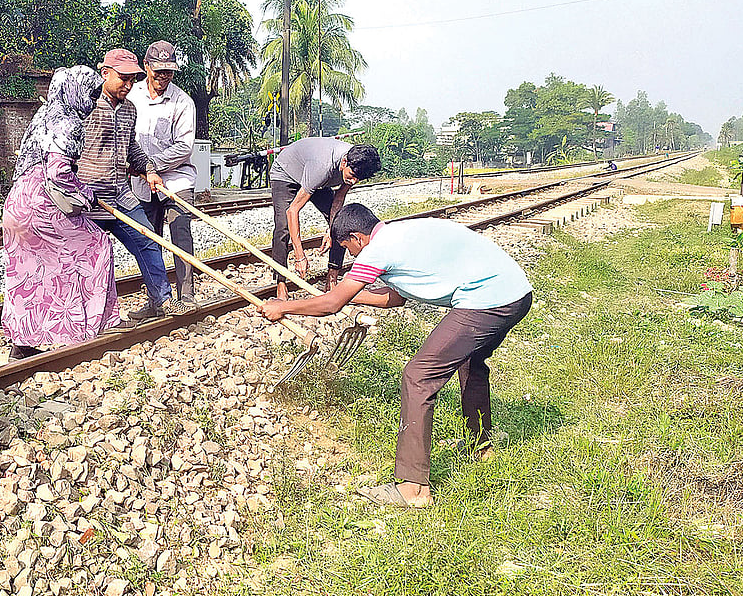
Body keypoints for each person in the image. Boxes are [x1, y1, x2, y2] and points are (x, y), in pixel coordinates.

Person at [260, 203, 533, 508]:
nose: (352, 256)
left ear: (358, 237)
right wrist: (344, 296)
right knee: (471, 362)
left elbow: (332, 305)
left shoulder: (377, 250)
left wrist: (283, 307)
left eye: (349, 249)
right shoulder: (401, 232)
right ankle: (481, 447)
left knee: (418, 375)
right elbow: (395, 297)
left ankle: (414, 489)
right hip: (517, 293)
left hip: (486, 301)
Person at [1, 66, 121, 359]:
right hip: (42, 204)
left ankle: (22, 343)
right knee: (95, 246)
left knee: (28, 271)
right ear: (75, 91)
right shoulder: (69, 122)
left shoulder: (43, 115)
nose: (92, 103)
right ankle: (80, 331)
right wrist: (85, 194)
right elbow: (58, 171)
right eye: (91, 95)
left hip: (17, 204)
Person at [77, 48, 180, 322]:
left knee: (148, 239)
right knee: (90, 257)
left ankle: (162, 300)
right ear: (105, 73)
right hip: (88, 197)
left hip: (120, 192)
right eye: (123, 78)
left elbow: (130, 147)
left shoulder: (129, 110)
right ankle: (89, 315)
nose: (128, 85)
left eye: (132, 79)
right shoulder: (85, 107)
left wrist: (148, 169)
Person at [128, 41, 198, 309]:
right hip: (142, 184)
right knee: (147, 239)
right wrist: (140, 169)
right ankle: (157, 298)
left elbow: (184, 147)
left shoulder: (183, 102)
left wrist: (150, 165)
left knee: (180, 233)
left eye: (168, 72)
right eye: (158, 71)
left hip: (176, 180)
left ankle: (187, 295)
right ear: (147, 67)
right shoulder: (132, 96)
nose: (163, 77)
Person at [269, 137, 383, 299]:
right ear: (344, 162)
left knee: (341, 224)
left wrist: (331, 230)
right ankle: (281, 283)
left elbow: (338, 200)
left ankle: (332, 278)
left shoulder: (357, 164)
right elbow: (292, 211)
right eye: (351, 176)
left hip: (319, 179)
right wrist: (299, 255)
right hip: (287, 172)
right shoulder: (322, 167)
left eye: (358, 179)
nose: (353, 181)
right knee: (283, 227)